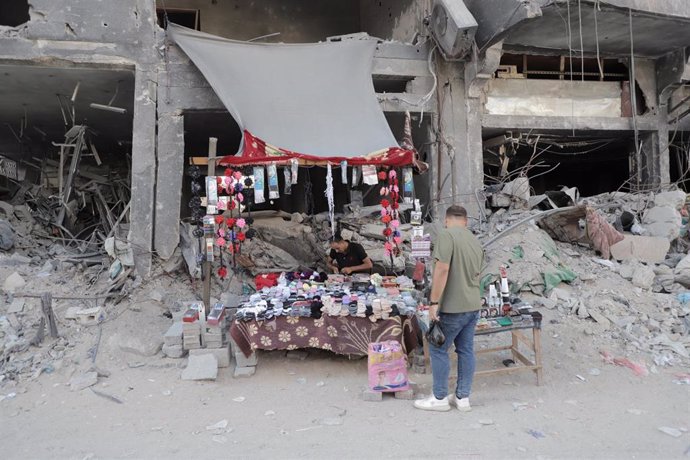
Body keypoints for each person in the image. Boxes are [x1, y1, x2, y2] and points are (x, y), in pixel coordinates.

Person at [414, 205, 484, 412]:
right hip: (473, 304)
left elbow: (442, 269)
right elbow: (478, 275)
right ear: (465, 221)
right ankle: (462, 398)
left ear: (446, 220)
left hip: (453, 306)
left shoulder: (446, 236)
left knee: (438, 349)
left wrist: (434, 302)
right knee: (466, 351)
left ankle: (440, 397)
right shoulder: (474, 240)